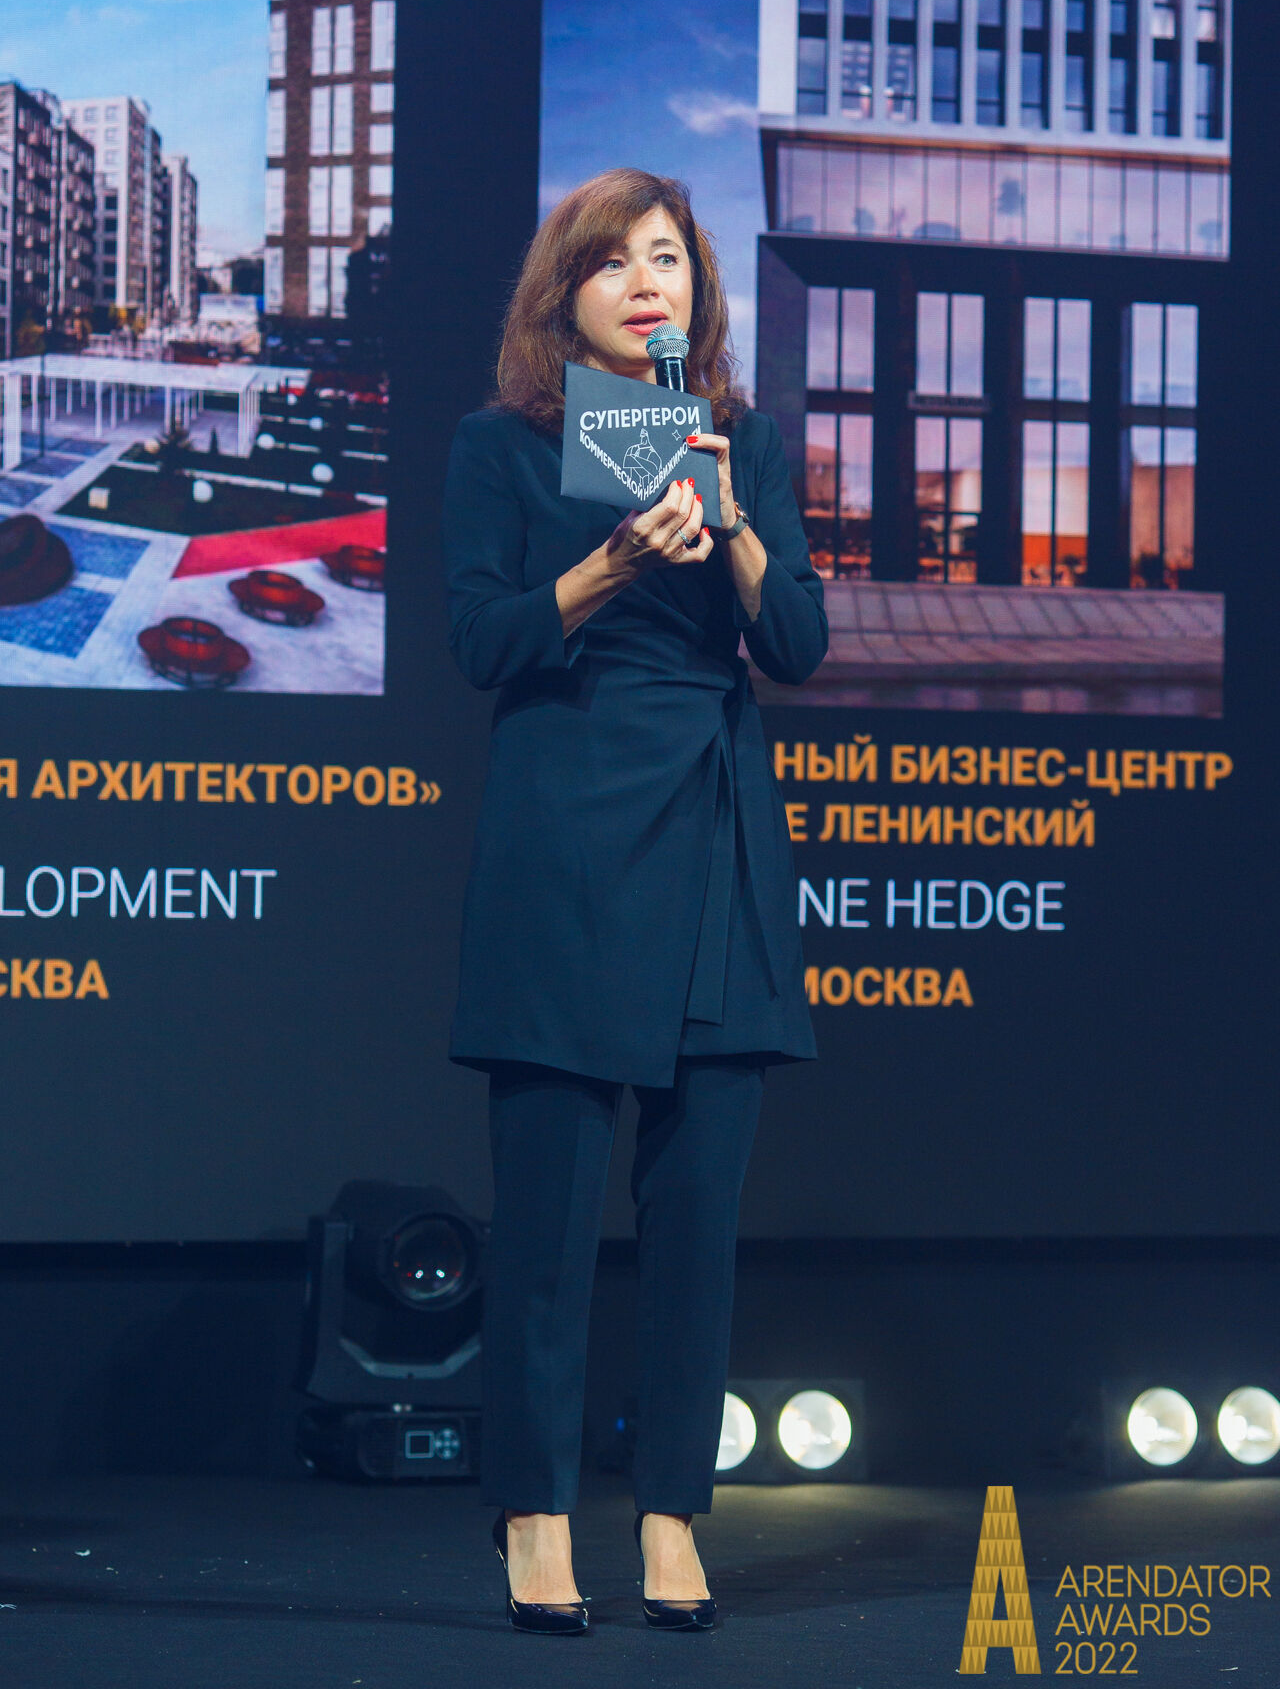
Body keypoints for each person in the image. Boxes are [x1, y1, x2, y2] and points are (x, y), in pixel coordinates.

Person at [443, 167, 827, 1634]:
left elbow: (797, 642)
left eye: (666, 257)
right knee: (547, 1221)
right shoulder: (503, 446)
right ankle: (535, 1516)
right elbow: (482, 638)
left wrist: (732, 527)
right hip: (566, 827)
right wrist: (609, 563)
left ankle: (673, 1513)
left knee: (698, 1217)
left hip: (713, 825)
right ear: (567, 296)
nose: (645, 282)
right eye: (612, 262)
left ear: (697, 290)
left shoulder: (745, 441)